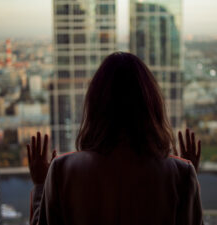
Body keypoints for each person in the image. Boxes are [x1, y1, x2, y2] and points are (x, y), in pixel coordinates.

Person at [27, 52, 203, 225]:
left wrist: (41, 185)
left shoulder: (62, 172)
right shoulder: (181, 175)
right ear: (152, 106)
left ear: (94, 106)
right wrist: (187, 184)